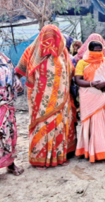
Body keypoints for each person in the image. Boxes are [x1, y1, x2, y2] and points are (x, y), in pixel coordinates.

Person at [15, 25, 76, 169]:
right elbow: (18, 72)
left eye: (53, 37)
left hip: (61, 99)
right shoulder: (31, 51)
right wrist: (17, 80)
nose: (50, 42)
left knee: (60, 126)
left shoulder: (63, 53)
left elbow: (71, 72)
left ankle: (59, 156)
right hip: (40, 100)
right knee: (42, 126)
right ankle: (40, 159)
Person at [75, 41, 105, 162]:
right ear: (89, 50)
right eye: (95, 50)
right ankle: (95, 151)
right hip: (90, 97)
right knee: (93, 124)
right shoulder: (82, 63)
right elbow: (77, 80)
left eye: (100, 50)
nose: (98, 53)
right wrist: (93, 84)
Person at [0, 35, 24, 176]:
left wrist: (16, 82)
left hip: (6, 105)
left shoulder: (2, 57)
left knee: (9, 135)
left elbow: (12, 74)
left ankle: (10, 165)